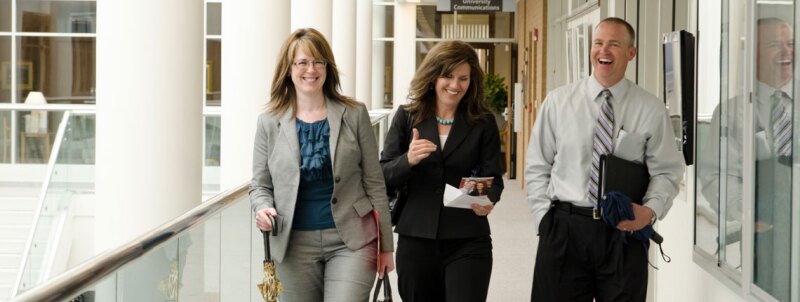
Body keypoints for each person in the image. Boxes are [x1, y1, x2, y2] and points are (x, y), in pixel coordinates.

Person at [525, 17, 685, 301]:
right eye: (598, 43)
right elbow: (538, 165)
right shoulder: (559, 102)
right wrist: (544, 221)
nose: (604, 51)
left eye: (614, 44)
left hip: (624, 234)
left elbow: (667, 172)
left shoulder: (650, 108)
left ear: (631, 53)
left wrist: (649, 212)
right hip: (565, 229)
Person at [249, 28, 394, 302]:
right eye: (302, 62)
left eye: (318, 62)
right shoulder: (269, 122)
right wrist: (263, 207)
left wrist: (387, 246)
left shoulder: (354, 113)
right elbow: (259, 184)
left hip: (352, 240)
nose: (311, 69)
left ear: (328, 68)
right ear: (288, 69)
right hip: (292, 243)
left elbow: (375, 183)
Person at [380, 40, 504, 302]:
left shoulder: (483, 122)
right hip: (416, 238)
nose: (455, 85)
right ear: (433, 75)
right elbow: (383, 175)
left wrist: (489, 199)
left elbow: (495, 180)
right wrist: (408, 160)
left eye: (463, 78)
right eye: (448, 76)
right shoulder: (407, 117)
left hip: (468, 237)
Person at [698, 17, 793, 301]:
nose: (787, 53)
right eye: (776, 45)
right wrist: (747, 214)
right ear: (754, 54)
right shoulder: (733, 113)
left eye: (791, 44)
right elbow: (717, 175)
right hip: (768, 238)